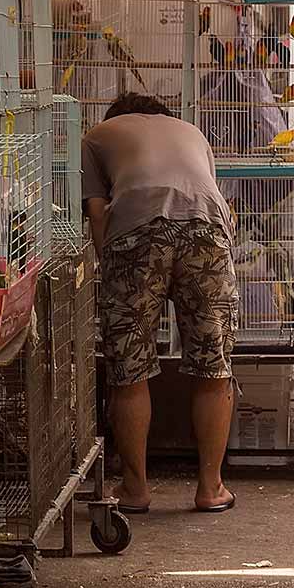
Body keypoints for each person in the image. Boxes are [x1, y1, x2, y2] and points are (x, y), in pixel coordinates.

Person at [82, 92, 238, 514]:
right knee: (213, 364)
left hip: (136, 232)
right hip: (207, 232)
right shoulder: (192, 133)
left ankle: (135, 490)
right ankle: (211, 487)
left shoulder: (96, 137)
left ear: (118, 117)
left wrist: (110, 266)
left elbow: (98, 214)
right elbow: (223, 210)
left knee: (129, 370)